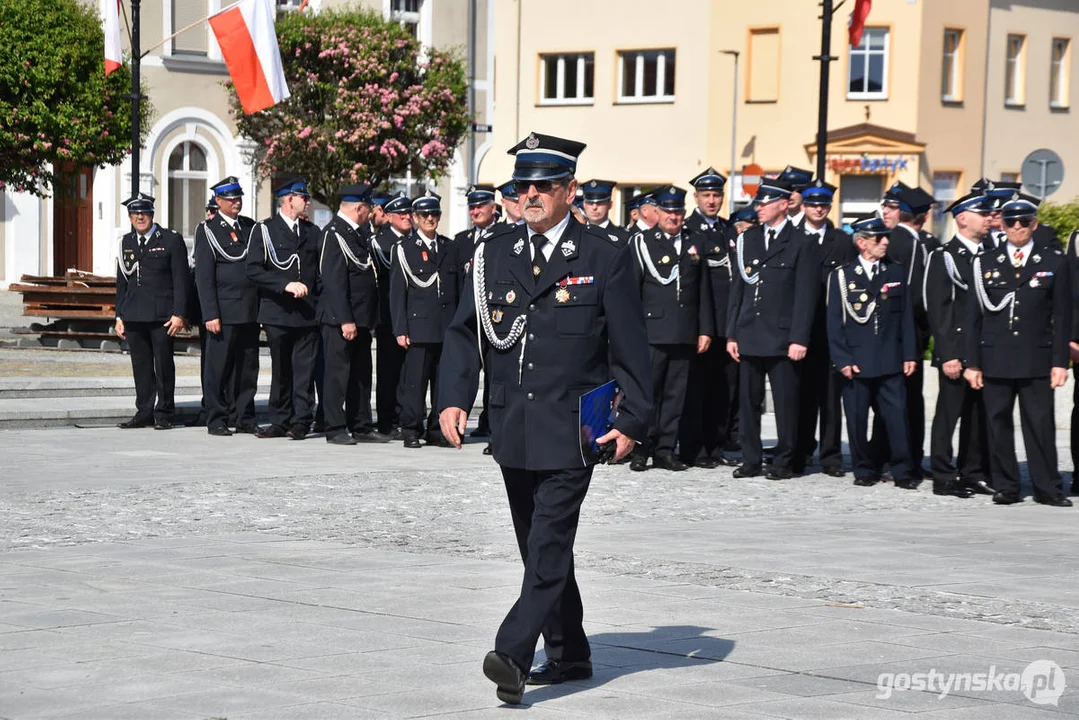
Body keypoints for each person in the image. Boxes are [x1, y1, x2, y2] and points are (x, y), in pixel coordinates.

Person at [437, 131, 651, 705]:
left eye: (544, 186)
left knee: (550, 542)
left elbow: (632, 349)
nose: (530, 195)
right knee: (537, 545)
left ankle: (511, 652)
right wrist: (454, 397)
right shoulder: (493, 254)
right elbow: (464, 333)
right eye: (522, 185)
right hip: (512, 425)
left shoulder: (604, 257)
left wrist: (632, 421)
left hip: (574, 428)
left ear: (569, 190)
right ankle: (571, 651)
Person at [964, 194, 1073, 507]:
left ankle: (1048, 487)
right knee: (997, 424)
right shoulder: (985, 262)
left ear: (1034, 224)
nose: (1017, 227)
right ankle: (1006, 486)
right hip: (994, 356)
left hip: (1036, 356)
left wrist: (1059, 362)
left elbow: (1062, 316)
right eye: (1010, 221)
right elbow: (972, 316)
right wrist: (972, 362)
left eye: (1024, 221)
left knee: (1039, 425)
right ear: (1002, 224)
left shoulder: (1053, 261)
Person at [726, 179, 820, 480]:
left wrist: (799, 338)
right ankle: (751, 458)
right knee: (749, 402)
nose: (759, 208)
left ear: (783, 204)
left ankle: (784, 460)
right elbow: (738, 289)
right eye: (758, 203)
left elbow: (807, 296)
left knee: (786, 404)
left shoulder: (801, 242)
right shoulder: (749, 239)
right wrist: (732, 333)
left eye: (765, 203)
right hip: (750, 332)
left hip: (782, 337)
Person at [827, 217, 919, 488]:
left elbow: (906, 318)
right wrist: (842, 359)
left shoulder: (895, 272)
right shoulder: (843, 276)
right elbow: (835, 322)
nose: (885, 242)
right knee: (857, 420)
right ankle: (864, 469)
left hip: (890, 358)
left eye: (885, 237)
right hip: (857, 360)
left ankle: (902, 471)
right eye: (879, 239)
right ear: (862, 242)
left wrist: (910, 355)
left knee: (897, 418)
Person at [629, 185, 713, 472]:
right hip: (652, 330)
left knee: (676, 396)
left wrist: (705, 330)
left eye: (678, 212)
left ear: (684, 213)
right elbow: (633, 291)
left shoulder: (695, 242)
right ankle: (642, 448)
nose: (673, 217)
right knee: (648, 394)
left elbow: (704, 291)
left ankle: (665, 449)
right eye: (668, 212)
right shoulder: (642, 242)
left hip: (685, 331)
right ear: (658, 213)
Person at [923, 191, 997, 497]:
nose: (990, 219)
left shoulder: (991, 256)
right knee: (948, 415)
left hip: (984, 350)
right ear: (963, 218)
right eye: (983, 214)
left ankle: (972, 471)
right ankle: (942, 475)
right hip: (956, 350)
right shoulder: (945, 257)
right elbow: (938, 310)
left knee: (978, 416)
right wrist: (948, 354)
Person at [869, 186, 937, 479]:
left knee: (909, 400)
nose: (886, 212)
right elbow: (901, 296)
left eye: (892, 207)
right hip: (900, 334)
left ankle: (907, 457)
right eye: (885, 206)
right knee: (893, 400)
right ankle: (887, 458)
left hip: (913, 334)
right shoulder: (897, 242)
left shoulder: (919, 241)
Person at [317, 183, 392, 446]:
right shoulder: (334, 233)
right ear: (359, 208)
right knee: (338, 375)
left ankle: (360, 424)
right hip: (341, 319)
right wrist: (345, 319)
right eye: (368, 208)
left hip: (361, 318)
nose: (370, 213)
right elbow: (334, 281)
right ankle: (335, 426)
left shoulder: (357, 234)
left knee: (361, 374)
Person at [247, 178, 320, 440]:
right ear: (289, 199)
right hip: (277, 311)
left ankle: (301, 421)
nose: (307, 202)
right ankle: (279, 420)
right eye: (304, 197)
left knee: (304, 372)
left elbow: (318, 272)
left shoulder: (312, 232)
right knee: (280, 370)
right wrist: (285, 284)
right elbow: (253, 269)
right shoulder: (265, 230)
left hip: (307, 312)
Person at [390, 191, 461, 448]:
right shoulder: (405, 249)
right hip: (418, 327)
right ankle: (410, 429)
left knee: (443, 383)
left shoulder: (449, 247)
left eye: (434, 214)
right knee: (415, 384)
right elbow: (397, 293)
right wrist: (400, 328)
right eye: (424, 215)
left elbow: (457, 289)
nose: (430, 219)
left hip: (446, 327)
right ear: (416, 218)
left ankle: (436, 429)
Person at [679, 168, 740, 467]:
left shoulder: (729, 231)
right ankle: (694, 448)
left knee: (722, 389)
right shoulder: (688, 230)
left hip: (727, 325)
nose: (712, 201)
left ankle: (716, 446)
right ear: (696, 197)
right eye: (706, 195)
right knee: (696, 390)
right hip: (702, 325)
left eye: (717, 195)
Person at [114, 193, 190, 430]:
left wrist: (179, 313)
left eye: (144, 213)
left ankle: (165, 412)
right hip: (134, 314)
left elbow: (182, 280)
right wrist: (119, 315)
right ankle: (144, 411)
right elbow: (122, 282)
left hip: (162, 315)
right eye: (135, 213)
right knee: (141, 365)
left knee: (164, 365)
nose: (140, 217)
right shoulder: (125, 242)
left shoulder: (170, 240)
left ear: (152, 214)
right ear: (129, 217)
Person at [793, 180, 854, 476]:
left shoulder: (841, 241)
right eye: (813, 204)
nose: (819, 209)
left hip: (831, 329)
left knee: (831, 398)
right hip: (800, 330)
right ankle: (802, 449)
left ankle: (831, 456)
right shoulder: (792, 238)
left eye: (824, 204)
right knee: (801, 395)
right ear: (803, 206)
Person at [193, 176, 259, 436]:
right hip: (223, 310)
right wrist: (210, 313)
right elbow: (204, 277)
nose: (236, 202)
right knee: (218, 368)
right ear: (218, 201)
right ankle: (216, 417)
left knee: (247, 367)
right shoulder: (208, 230)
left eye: (238, 197)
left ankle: (244, 415)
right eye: (231, 198)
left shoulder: (250, 227)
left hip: (249, 309)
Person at [453, 184, 500, 443]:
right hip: (470, 319)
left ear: (494, 208)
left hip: (495, 319)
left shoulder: (503, 238)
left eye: (480, 206)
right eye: (472, 207)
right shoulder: (462, 241)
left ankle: (492, 426)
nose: (475, 211)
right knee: (466, 371)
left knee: (494, 376)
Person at [371, 194, 412, 437]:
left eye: (409, 213)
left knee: (410, 372)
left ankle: (407, 417)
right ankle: (387, 420)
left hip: (414, 314)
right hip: (387, 314)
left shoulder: (416, 241)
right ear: (390, 217)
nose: (407, 217)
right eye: (401, 214)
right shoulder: (380, 241)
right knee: (388, 371)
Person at [579, 179, 629, 244]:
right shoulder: (576, 233)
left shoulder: (623, 237)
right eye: (590, 203)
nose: (594, 207)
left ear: (610, 205)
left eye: (600, 203)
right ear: (584, 205)